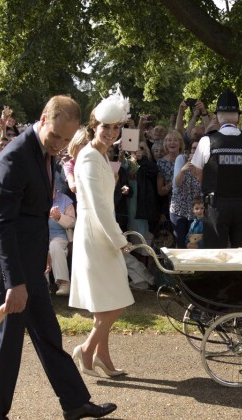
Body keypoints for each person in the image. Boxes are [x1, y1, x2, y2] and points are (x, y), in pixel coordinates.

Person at [0, 95, 117, 420]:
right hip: (11, 270)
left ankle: (74, 403)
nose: (58, 146)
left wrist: (40, 255)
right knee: (8, 346)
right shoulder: (13, 157)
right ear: (43, 119)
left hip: (28, 263)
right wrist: (15, 283)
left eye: (64, 140)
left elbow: (34, 214)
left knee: (48, 335)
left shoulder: (43, 153)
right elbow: (1, 224)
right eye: (55, 137)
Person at [69, 89, 135, 377]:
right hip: (96, 234)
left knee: (107, 303)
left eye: (115, 127)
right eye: (105, 127)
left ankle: (102, 358)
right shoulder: (89, 157)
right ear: (94, 126)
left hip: (100, 231)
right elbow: (97, 206)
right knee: (116, 301)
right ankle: (86, 349)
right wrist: (120, 240)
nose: (110, 132)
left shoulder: (99, 155)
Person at [191, 89, 242, 248]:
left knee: (215, 255)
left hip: (215, 208)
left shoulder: (207, 141)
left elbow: (197, 174)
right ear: (238, 117)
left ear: (218, 117)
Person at [48, 189, 75, 296]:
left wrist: (59, 217)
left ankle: (64, 283)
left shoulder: (65, 200)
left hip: (60, 236)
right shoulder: (38, 198)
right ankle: (42, 286)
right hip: (42, 236)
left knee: (54, 245)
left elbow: (72, 222)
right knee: (38, 247)